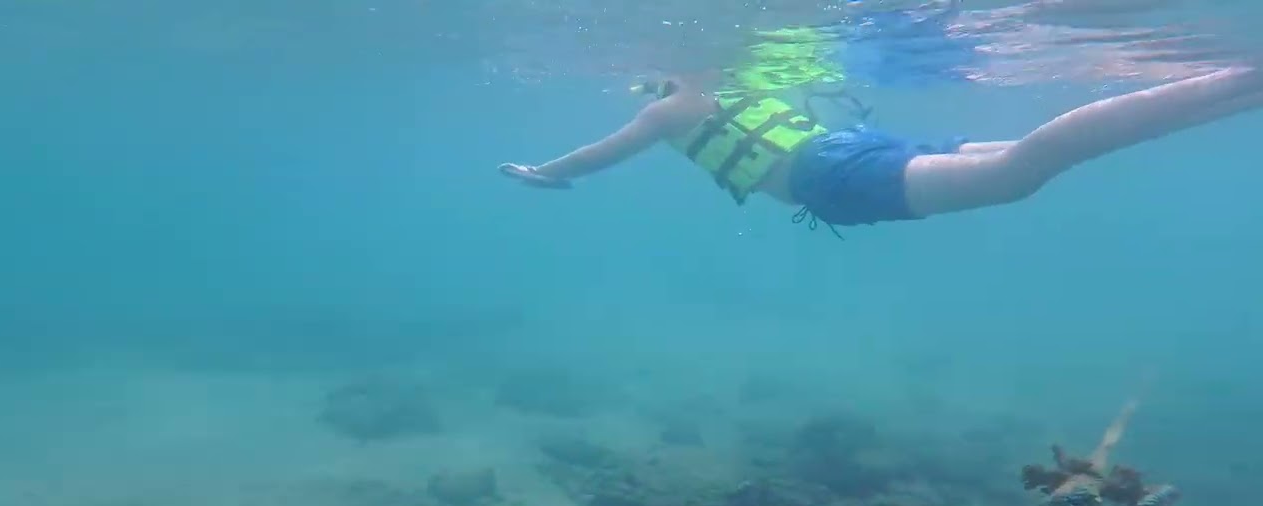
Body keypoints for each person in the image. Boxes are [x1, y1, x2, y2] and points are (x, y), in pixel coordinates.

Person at [498, 46, 1262, 230]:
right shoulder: (730, 83)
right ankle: (1239, 93)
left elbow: (597, 156)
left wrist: (547, 170)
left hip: (833, 182)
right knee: (1009, 157)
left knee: (1027, 166)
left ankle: (1231, 81)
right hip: (853, 151)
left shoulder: (667, 113)